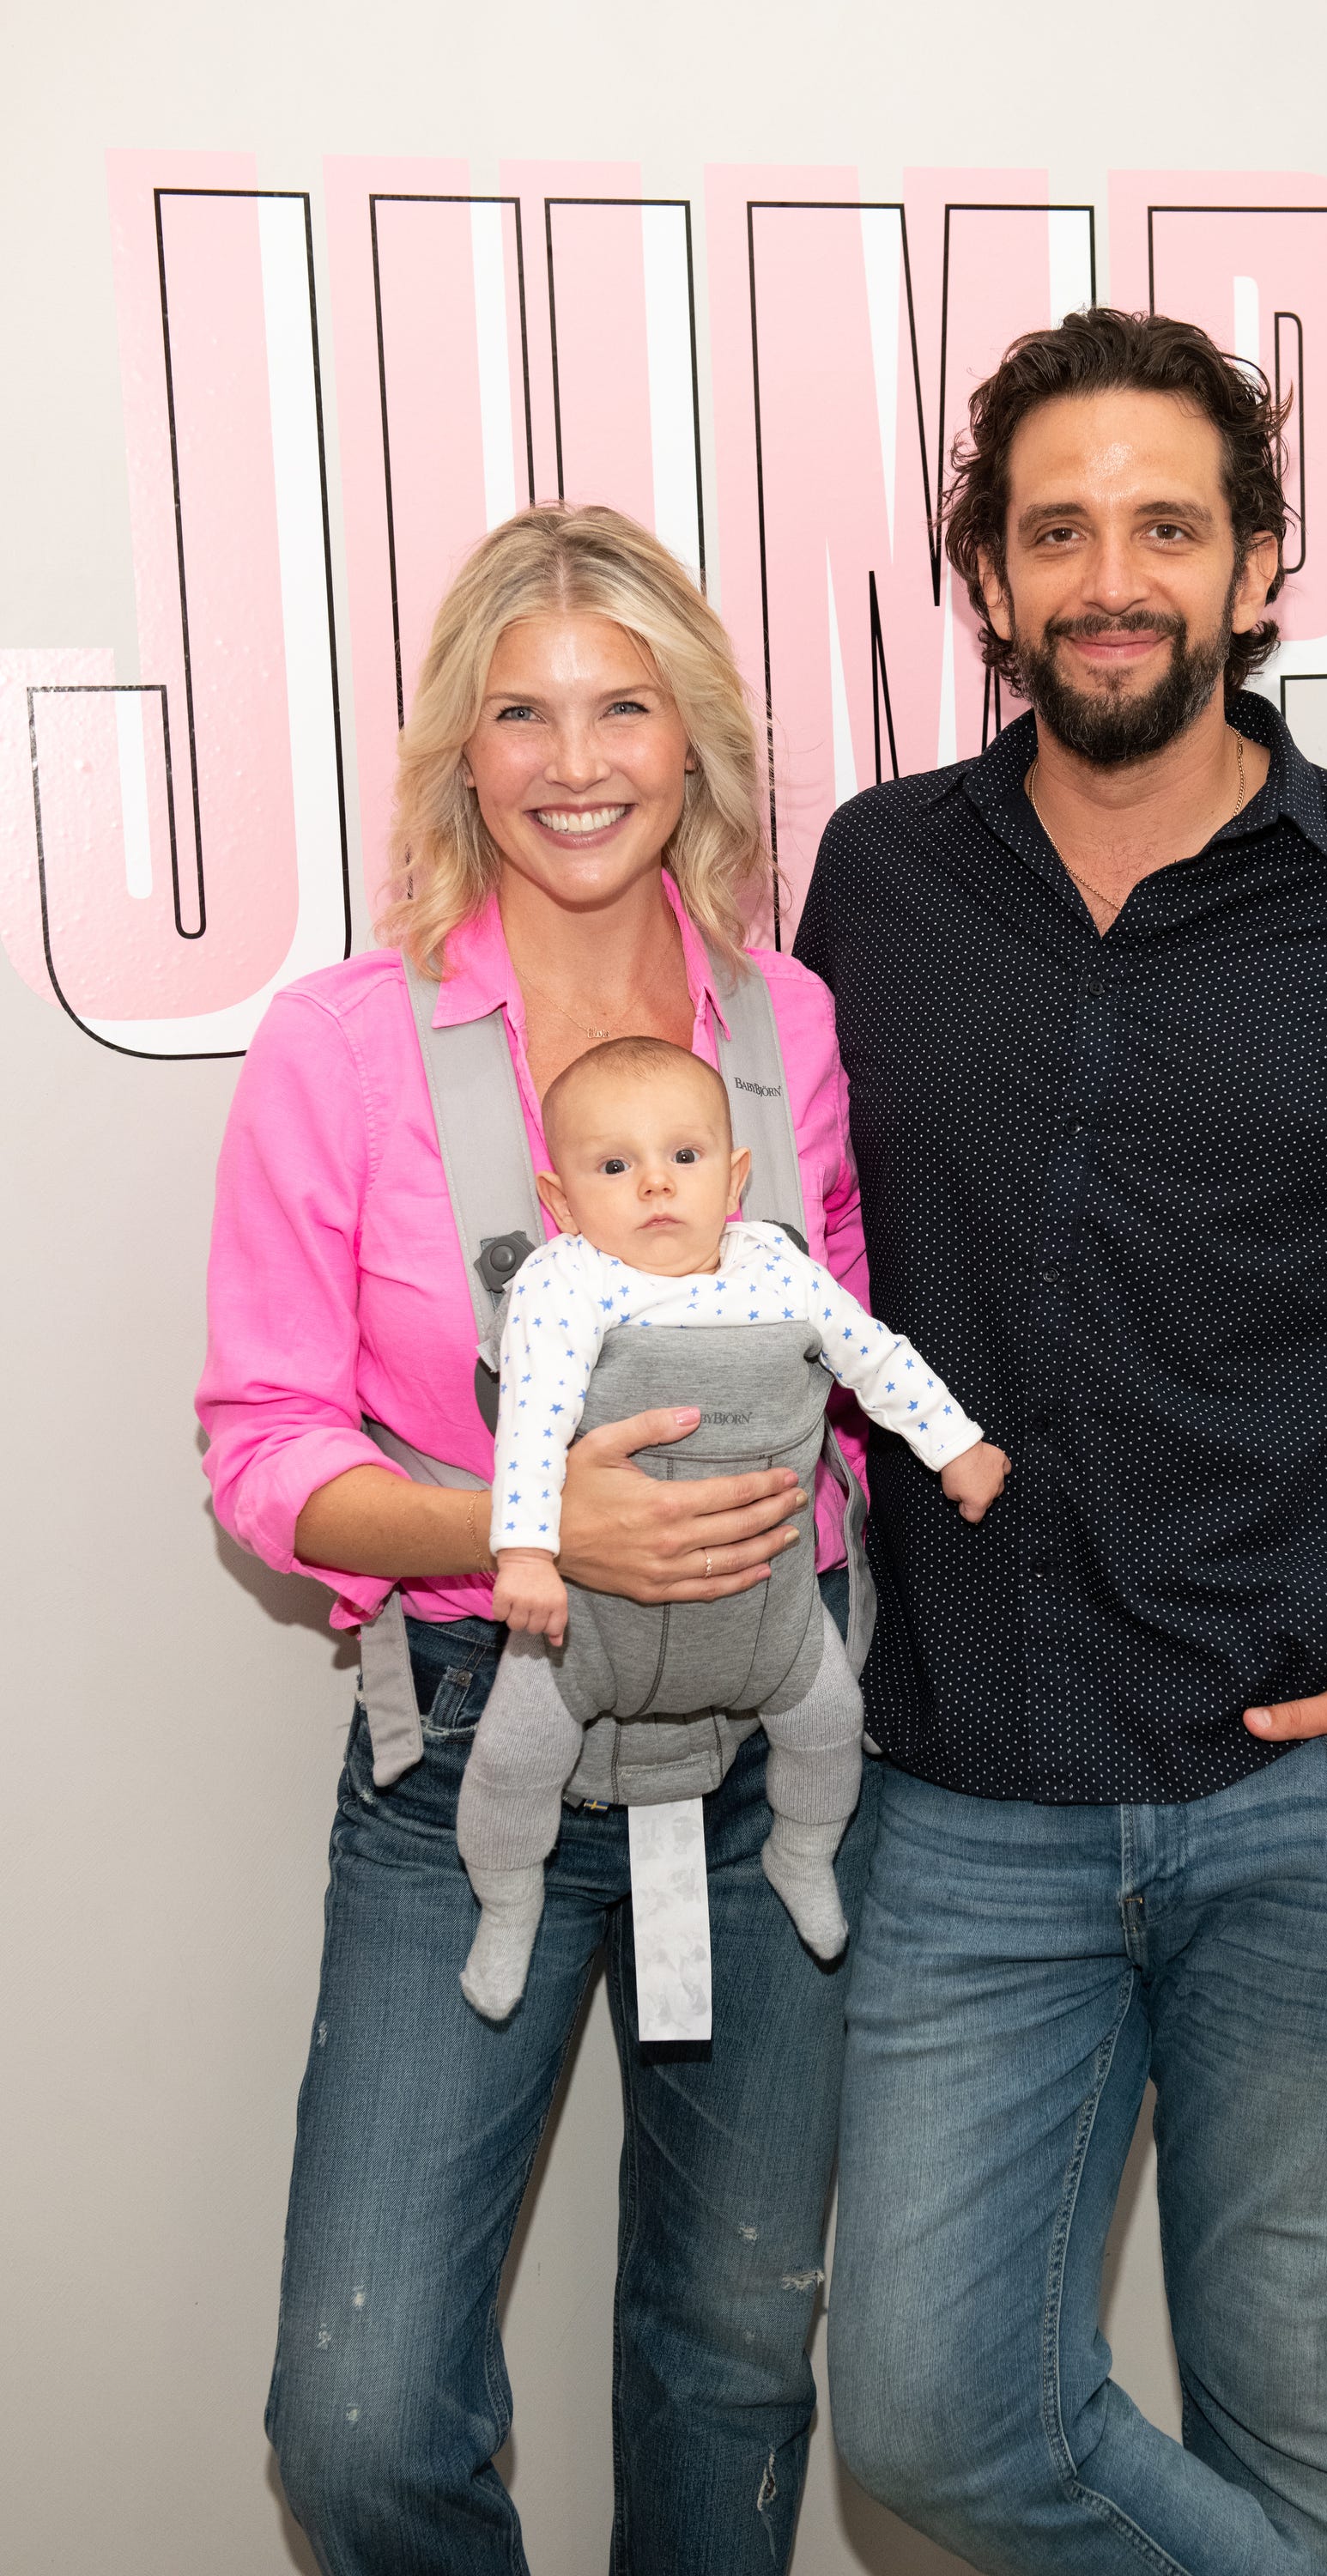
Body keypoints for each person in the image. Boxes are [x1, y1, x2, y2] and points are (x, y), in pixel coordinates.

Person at [797, 312, 1327, 2576]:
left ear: (1259, 569)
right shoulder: (877, 879)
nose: (1112, 579)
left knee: (1303, 2434)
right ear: (986, 578)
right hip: (970, 1793)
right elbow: (789, 1255)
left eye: (1167, 526)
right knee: (930, 2417)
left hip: (1319, 1801)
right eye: (1057, 530)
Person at [198, 503, 877, 2573]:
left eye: (621, 707)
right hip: (467, 1754)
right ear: (460, 754)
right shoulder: (340, 1042)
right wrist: (530, 1520)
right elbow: (263, 1447)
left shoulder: (787, 1022)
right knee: (359, 2420)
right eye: (521, 714)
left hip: (768, 1754)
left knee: (732, 2364)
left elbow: (842, 1340)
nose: (575, 762)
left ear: (694, 740)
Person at [460, 1032, 1004, 2014]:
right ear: (560, 1200)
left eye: (684, 1155)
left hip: (768, 1618)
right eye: (613, 1167)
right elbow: (532, 1424)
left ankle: (802, 1854)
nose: (654, 1185)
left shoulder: (776, 1269)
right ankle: (506, 1902)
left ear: (734, 1176)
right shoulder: (565, 1282)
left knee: (830, 1722)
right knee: (513, 1756)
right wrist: (528, 1554)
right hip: (588, 1632)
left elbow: (875, 1358)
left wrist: (954, 1445)